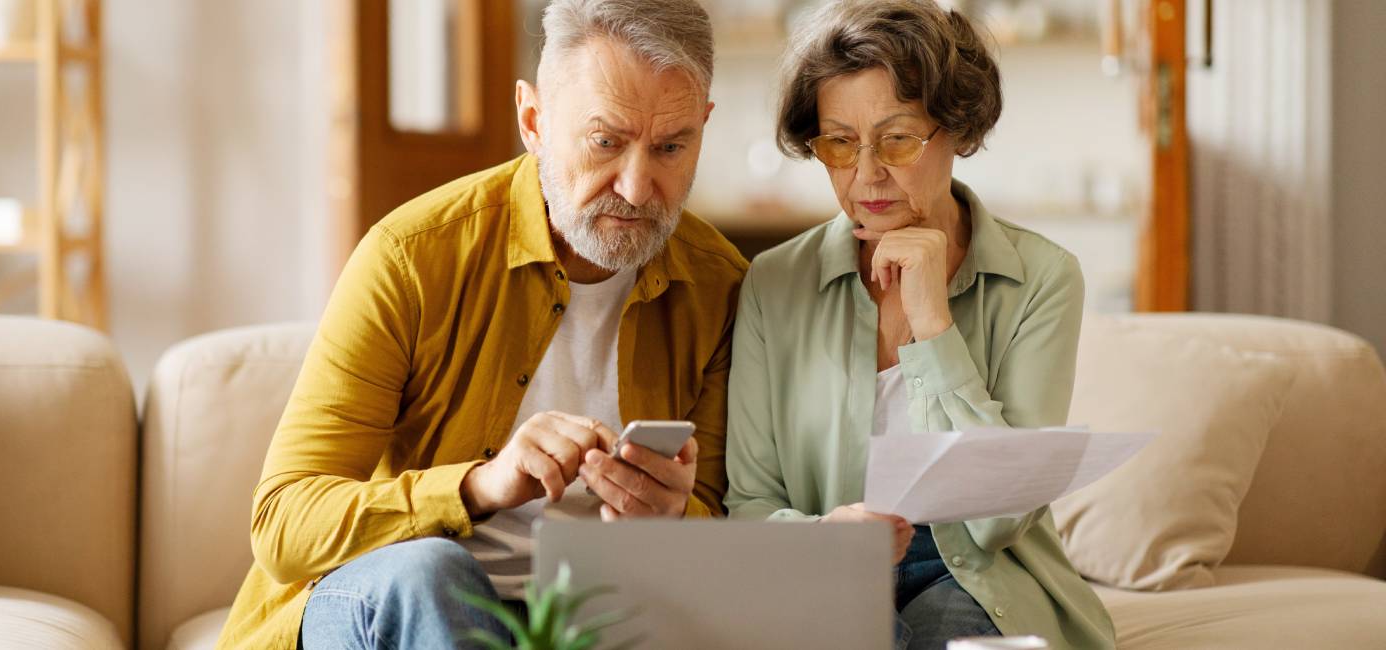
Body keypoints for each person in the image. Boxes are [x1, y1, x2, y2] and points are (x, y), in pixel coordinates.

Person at [216, 1, 745, 647]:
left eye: (671, 147)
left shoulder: (721, 284)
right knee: (431, 573)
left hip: (583, 622)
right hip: (396, 603)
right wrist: (477, 486)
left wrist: (673, 518)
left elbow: (720, 522)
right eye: (606, 142)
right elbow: (284, 525)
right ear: (534, 120)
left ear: (704, 127)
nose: (637, 188)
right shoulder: (413, 254)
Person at [724, 1, 1115, 648]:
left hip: (975, 575)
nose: (866, 173)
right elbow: (752, 503)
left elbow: (998, 521)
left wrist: (935, 327)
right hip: (829, 567)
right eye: (839, 143)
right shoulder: (774, 282)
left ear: (958, 130)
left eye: (898, 138)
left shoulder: (1042, 278)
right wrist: (828, 539)